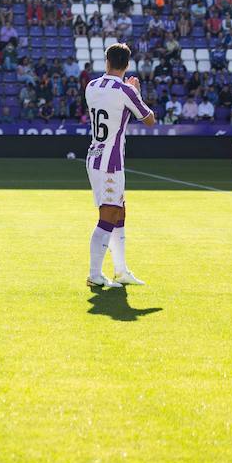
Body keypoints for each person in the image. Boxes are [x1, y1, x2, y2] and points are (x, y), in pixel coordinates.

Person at [83, 42, 157, 289]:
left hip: (95, 155)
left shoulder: (91, 86)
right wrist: (135, 92)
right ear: (126, 65)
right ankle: (95, 274)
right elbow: (149, 119)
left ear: (107, 61)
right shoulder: (125, 90)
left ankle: (121, 270)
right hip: (110, 161)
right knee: (108, 215)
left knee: (119, 211)